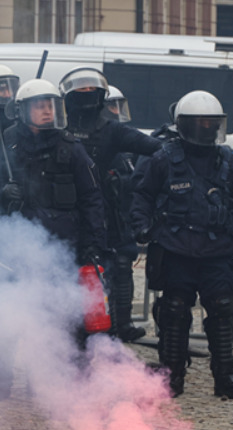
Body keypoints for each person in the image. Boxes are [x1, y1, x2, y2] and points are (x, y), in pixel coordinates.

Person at [131, 90, 233, 399]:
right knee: (175, 312)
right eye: (199, 123)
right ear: (183, 125)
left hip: (218, 252)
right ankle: (172, 376)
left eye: (211, 123)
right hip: (176, 250)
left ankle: (225, 377)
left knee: (223, 312)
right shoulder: (164, 159)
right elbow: (141, 195)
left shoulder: (230, 163)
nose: (206, 128)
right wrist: (142, 226)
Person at [0, 79, 106, 401]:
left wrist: (92, 246)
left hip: (61, 249)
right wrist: (0, 194)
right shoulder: (4, 147)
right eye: (40, 105)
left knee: (58, 319)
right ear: (22, 110)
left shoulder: (71, 148)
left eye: (51, 104)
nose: (47, 111)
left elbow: (92, 199)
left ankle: (48, 383)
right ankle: (1, 381)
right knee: (9, 317)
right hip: (15, 250)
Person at [59, 70, 162, 343]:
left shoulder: (111, 130)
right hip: (64, 212)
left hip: (101, 211)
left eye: (90, 93)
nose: (86, 98)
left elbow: (148, 145)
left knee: (107, 271)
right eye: (80, 93)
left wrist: (175, 141)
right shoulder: (57, 129)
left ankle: (111, 332)